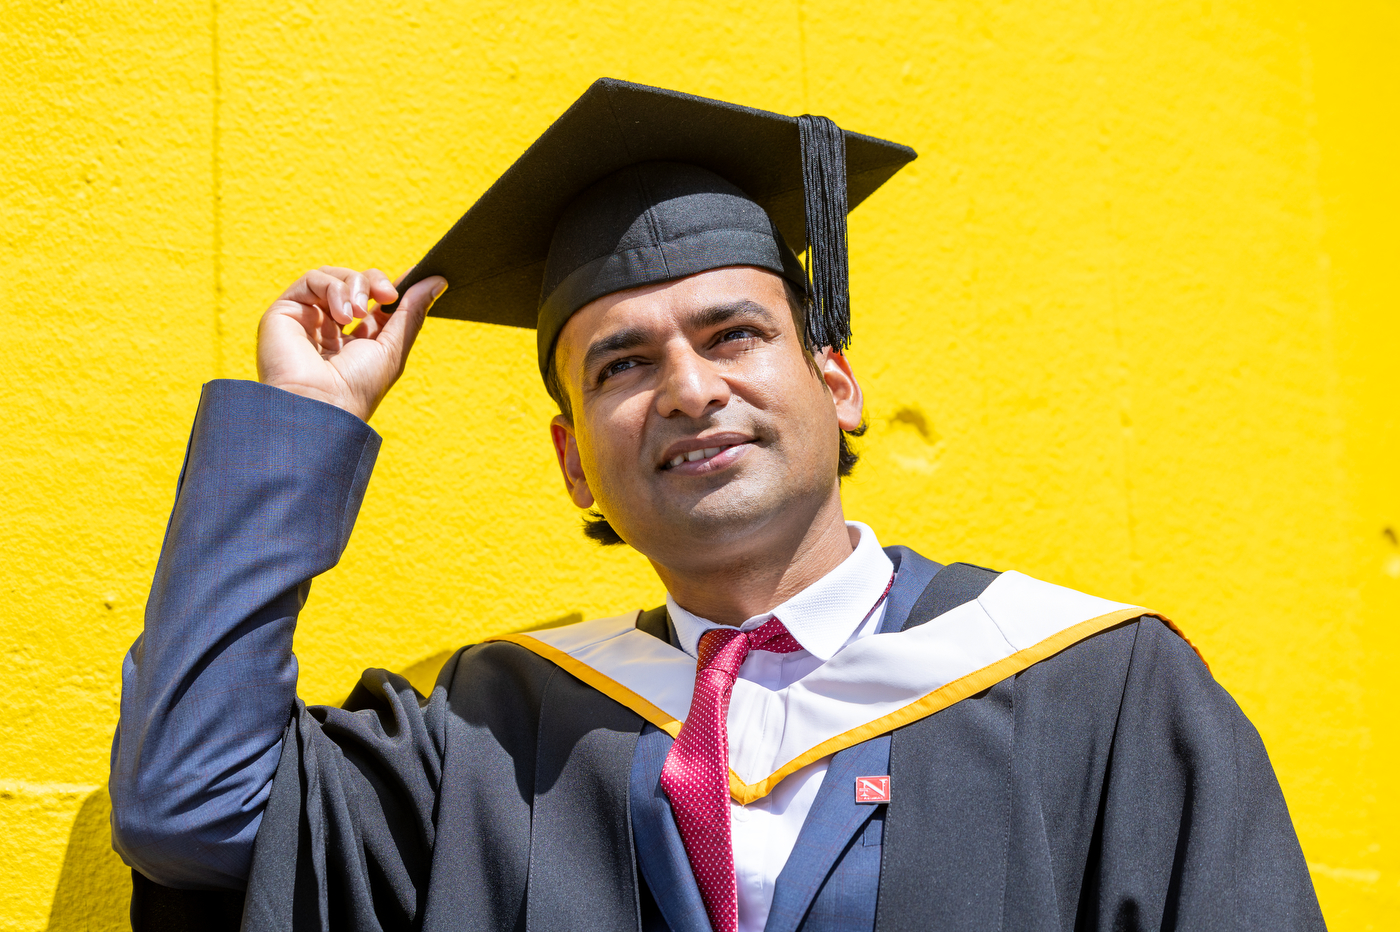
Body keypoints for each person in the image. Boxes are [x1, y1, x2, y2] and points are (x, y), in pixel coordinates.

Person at [110, 78, 1326, 932]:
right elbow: (188, 806)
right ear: (576, 462)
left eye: (733, 333)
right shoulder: (494, 735)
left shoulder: (1097, 692)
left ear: (837, 384)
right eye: (621, 365)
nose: (689, 389)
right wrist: (308, 422)